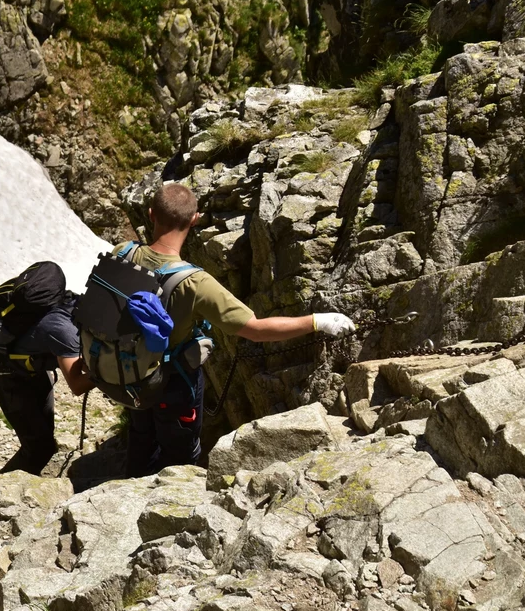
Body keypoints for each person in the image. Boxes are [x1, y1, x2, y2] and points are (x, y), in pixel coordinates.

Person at [114, 182, 356, 478]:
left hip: (128, 374)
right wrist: (317, 321)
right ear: (194, 220)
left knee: (141, 437)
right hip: (173, 386)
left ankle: (130, 483)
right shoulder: (194, 283)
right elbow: (255, 329)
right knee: (178, 457)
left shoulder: (122, 253)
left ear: (151, 215)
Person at [0, 293, 96, 475]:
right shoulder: (65, 330)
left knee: (44, 441)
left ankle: (25, 481)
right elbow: (76, 385)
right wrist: (109, 371)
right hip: (9, 380)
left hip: (32, 373)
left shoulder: (74, 305)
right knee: (38, 449)